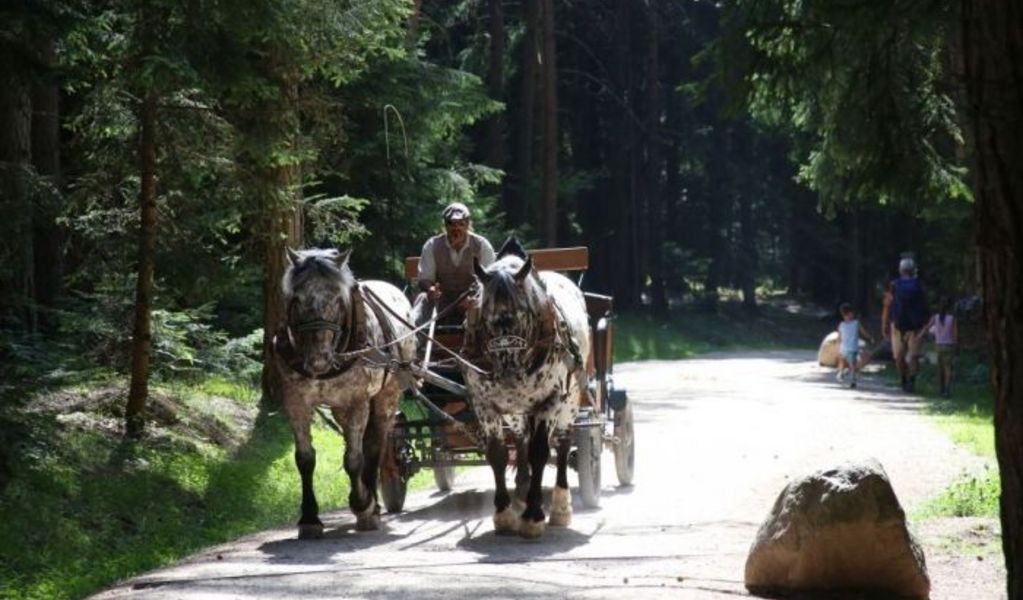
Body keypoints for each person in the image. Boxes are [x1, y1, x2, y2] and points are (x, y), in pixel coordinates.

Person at [412, 202, 496, 352]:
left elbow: (489, 281)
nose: (456, 228)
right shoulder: (432, 245)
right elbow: (425, 277)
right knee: (422, 300)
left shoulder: (482, 246)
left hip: (472, 300)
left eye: (461, 223)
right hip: (441, 301)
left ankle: (487, 347)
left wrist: (474, 297)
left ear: (468, 224)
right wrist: (431, 289)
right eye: (451, 224)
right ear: (445, 225)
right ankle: (416, 347)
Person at [881, 257, 929, 392]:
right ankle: (912, 382)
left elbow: (887, 305)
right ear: (913, 270)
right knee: (914, 356)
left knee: (899, 357)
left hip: (897, 326)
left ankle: (904, 379)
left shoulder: (894, 285)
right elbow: (925, 306)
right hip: (915, 327)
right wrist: (925, 325)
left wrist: (884, 323)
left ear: (900, 270)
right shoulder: (919, 285)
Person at [926, 296, 959, 397]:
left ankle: (941, 388)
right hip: (949, 345)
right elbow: (955, 334)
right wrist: (957, 345)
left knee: (940, 368)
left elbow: (927, 327)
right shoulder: (952, 318)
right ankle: (947, 389)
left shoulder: (936, 317)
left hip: (938, 345)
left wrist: (920, 336)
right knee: (948, 368)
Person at [835, 303, 874, 389]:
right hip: (847, 347)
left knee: (851, 363)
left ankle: (852, 379)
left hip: (851, 347)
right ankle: (842, 373)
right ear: (848, 314)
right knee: (844, 362)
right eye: (851, 313)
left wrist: (869, 337)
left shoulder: (853, 323)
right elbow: (840, 337)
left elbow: (863, 332)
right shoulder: (846, 324)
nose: (852, 314)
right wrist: (870, 338)